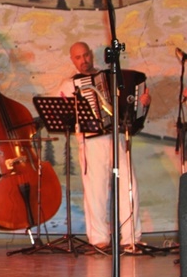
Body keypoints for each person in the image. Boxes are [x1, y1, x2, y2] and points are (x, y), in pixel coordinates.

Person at [58, 41, 150, 252]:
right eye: (78, 57)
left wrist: (143, 103)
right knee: (96, 191)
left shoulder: (112, 78)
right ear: (72, 60)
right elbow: (62, 114)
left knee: (129, 186)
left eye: (86, 55)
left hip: (117, 137)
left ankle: (131, 238)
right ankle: (99, 239)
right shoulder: (69, 85)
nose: (83, 60)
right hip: (91, 141)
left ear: (91, 54)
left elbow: (132, 106)